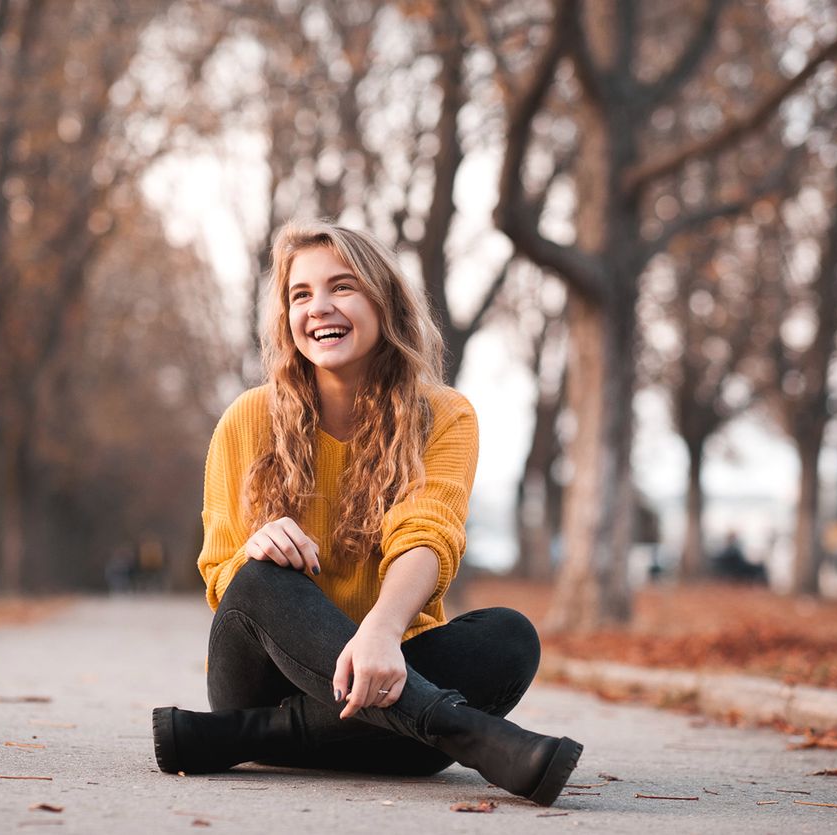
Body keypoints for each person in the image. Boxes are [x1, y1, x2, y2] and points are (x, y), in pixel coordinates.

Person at [151, 220, 583, 806]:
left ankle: (243, 740)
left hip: (391, 663)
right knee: (261, 574)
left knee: (509, 636)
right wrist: (258, 550)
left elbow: (428, 534)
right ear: (286, 318)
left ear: (385, 301)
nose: (319, 308)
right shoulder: (247, 419)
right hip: (265, 678)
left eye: (342, 286)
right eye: (300, 295)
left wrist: (380, 631)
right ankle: (457, 730)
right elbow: (223, 576)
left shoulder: (445, 415)